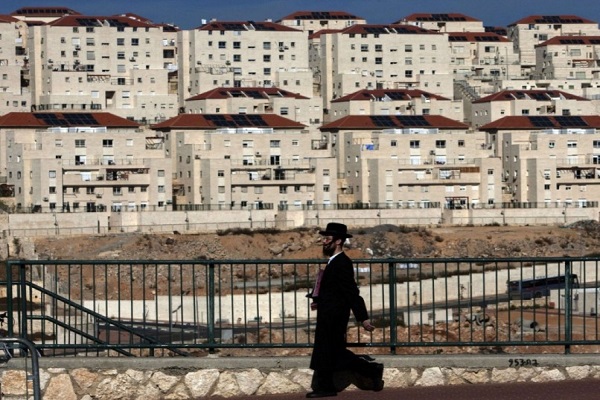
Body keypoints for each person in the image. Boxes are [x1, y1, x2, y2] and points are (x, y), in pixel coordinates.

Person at [306, 222, 384, 398]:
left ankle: (370, 370)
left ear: (338, 241)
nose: (324, 242)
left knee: (332, 351)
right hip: (328, 313)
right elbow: (333, 289)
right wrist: (318, 300)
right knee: (330, 351)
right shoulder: (333, 262)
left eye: (327, 238)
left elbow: (351, 292)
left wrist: (363, 318)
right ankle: (328, 386)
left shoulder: (342, 263)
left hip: (335, 316)